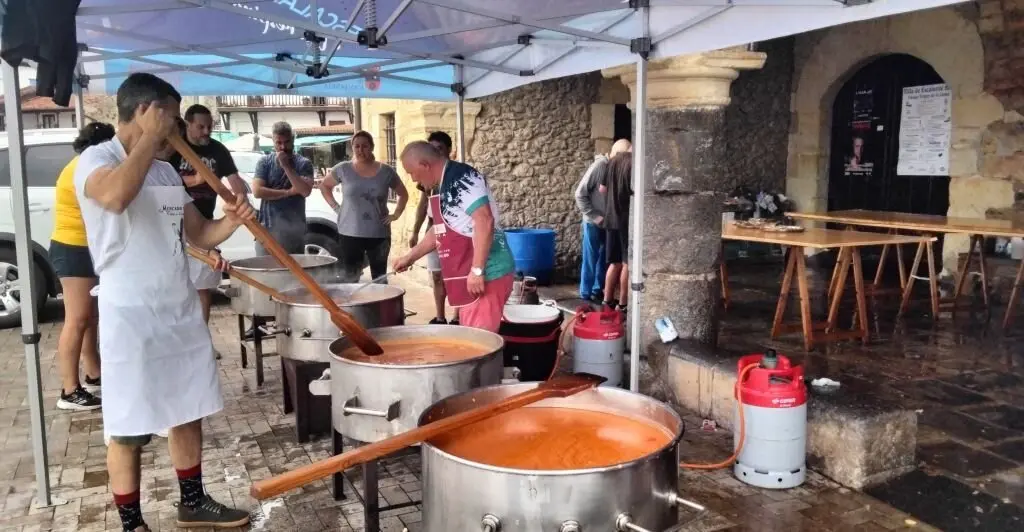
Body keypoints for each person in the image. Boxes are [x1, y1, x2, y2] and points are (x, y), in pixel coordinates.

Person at [74, 72, 252, 531]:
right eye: (170, 120)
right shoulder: (98, 159)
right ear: (144, 112)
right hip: (130, 314)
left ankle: (192, 501)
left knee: (187, 407)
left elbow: (198, 233)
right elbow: (114, 198)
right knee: (130, 425)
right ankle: (133, 524)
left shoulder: (166, 170)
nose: (177, 132)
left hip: (177, 307)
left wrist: (232, 221)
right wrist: (150, 140)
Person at [392, 141, 514, 333]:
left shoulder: (463, 178)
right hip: (470, 273)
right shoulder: (440, 186)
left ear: (425, 165)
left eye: (411, 172)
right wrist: (410, 257)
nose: (413, 179)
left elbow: (484, 221)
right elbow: (439, 230)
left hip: (488, 273)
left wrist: (477, 271)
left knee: (480, 344)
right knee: (471, 336)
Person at [168, 105, 248, 359]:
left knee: (203, 288)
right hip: (172, 224)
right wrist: (195, 180)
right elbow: (167, 179)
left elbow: (235, 180)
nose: (205, 132)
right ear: (188, 124)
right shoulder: (174, 148)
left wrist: (241, 199)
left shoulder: (217, 149)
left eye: (209, 126)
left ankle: (202, 342)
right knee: (179, 289)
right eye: (200, 126)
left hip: (204, 222)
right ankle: (180, 344)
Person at [51, 122, 115, 411]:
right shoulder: (85, 168)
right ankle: (69, 389)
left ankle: (94, 372)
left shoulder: (84, 164)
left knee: (91, 317)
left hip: (86, 247)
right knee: (77, 319)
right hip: (73, 247)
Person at [320, 131, 408, 282]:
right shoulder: (343, 169)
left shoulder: (386, 171)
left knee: (379, 278)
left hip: (378, 233)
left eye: (365, 146)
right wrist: (335, 207)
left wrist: (396, 214)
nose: (361, 150)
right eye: (357, 146)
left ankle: (380, 305)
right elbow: (324, 186)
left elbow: (403, 194)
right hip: (349, 232)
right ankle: (353, 306)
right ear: (352, 147)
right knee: (351, 277)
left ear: (372, 147)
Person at [409, 131, 459, 324]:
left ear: (449, 150)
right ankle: (440, 317)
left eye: (439, 149)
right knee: (437, 275)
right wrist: (415, 231)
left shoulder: (457, 175)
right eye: (431, 149)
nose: (435, 153)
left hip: (455, 232)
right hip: (433, 228)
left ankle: (457, 316)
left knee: (455, 275)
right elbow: (423, 204)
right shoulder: (428, 177)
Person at [574, 139, 631, 303]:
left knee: (604, 259)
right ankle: (585, 294)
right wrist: (595, 216)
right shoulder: (600, 166)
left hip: (607, 221)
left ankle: (597, 291)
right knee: (591, 257)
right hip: (593, 221)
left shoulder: (614, 167)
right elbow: (580, 194)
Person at [253, 121, 314, 256]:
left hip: (294, 233)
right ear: (273, 142)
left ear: (292, 140)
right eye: (278, 143)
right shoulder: (264, 162)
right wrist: (289, 192)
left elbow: (304, 191)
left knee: (294, 276)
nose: (282, 147)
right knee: (266, 275)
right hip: (266, 232)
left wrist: (286, 166)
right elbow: (257, 191)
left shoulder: (303, 163)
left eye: (286, 142)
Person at [602, 151, 633, 313]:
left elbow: (602, 189)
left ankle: (607, 301)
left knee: (614, 263)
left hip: (610, 218)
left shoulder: (611, 162)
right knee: (627, 263)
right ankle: (623, 304)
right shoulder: (633, 163)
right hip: (626, 220)